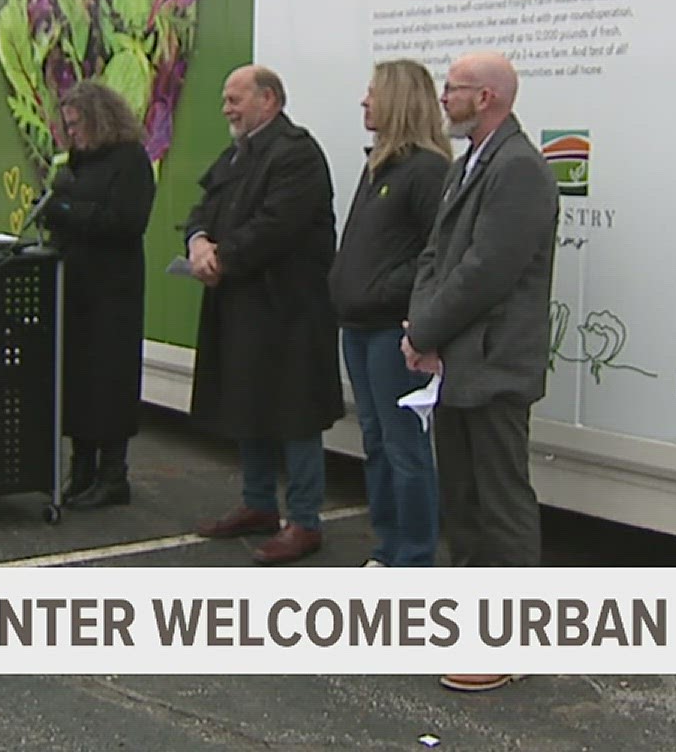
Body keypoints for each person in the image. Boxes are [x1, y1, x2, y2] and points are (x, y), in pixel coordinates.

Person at [401, 51, 558, 693]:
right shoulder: (470, 163)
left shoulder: (520, 169)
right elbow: (436, 256)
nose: (444, 99)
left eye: (455, 90)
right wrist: (420, 331)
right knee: (461, 504)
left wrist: (429, 330)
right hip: (459, 362)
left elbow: (487, 272)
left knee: (499, 506)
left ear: (487, 97)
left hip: (494, 365)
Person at [184, 65, 344, 565]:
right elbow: (202, 209)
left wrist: (220, 258)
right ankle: (257, 505)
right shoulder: (240, 153)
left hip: (289, 311)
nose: (227, 109)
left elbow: (276, 225)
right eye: (225, 100)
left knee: (295, 416)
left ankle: (303, 521)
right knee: (246, 406)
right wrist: (197, 243)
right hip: (243, 307)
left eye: (235, 99)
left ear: (269, 99)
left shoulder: (296, 153)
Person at [328, 60, 452, 568]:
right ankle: (387, 549)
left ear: (399, 101)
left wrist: (388, 294)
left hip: (392, 331)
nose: (364, 102)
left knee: (404, 447)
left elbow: (438, 253)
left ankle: (415, 559)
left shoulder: (427, 171)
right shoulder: (379, 164)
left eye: (373, 93)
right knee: (376, 444)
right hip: (357, 326)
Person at [40, 81, 157, 511]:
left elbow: (126, 222)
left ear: (99, 119)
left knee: (109, 381)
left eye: (78, 125)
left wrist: (69, 211)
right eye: (67, 127)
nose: (73, 134)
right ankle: (82, 467)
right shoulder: (77, 163)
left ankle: (113, 474)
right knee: (77, 380)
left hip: (113, 291)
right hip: (75, 286)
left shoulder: (130, 161)